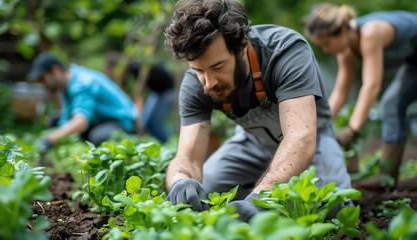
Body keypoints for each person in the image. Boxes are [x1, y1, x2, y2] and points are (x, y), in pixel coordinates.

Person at [163, 0, 351, 222]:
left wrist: (261, 198)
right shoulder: (196, 82)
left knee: (327, 205)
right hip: (252, 143)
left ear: (242, 46)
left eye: (218, 67)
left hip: (313, 142)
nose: (208, 83)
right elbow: (189, 156)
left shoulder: (286, 52)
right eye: (198, 70)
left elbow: (301, 138)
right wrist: (180, 180)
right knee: (208, 189)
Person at [303, 3, 417, 190]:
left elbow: (371, 86)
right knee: (393, 103)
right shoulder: (346, 47)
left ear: (340, 31)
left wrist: (352, 129)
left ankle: (386, 178)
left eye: (326, 44)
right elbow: (341, 90)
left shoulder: (371, 33)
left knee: (391, 103)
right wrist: (322, 123)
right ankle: (387, 179)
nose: (326, 50)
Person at [27, 52, 138, 152]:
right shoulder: (66, 86)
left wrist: (51, 139)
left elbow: (81, 122)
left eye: (43, 78)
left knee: (96, 137)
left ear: (55, 70)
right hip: (100, 119)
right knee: (55, 120)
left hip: (122, 122)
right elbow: (66, 119)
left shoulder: (82, 83)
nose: (43, 84)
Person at [104, 51, 176, 143]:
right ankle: (160, 144)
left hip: (168, 90)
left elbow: (139, 96)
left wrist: (138, 118)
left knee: (155, 123)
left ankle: (168, 143)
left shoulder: (135, 67)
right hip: (156, 92)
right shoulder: (132, 68)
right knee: (147, 123)